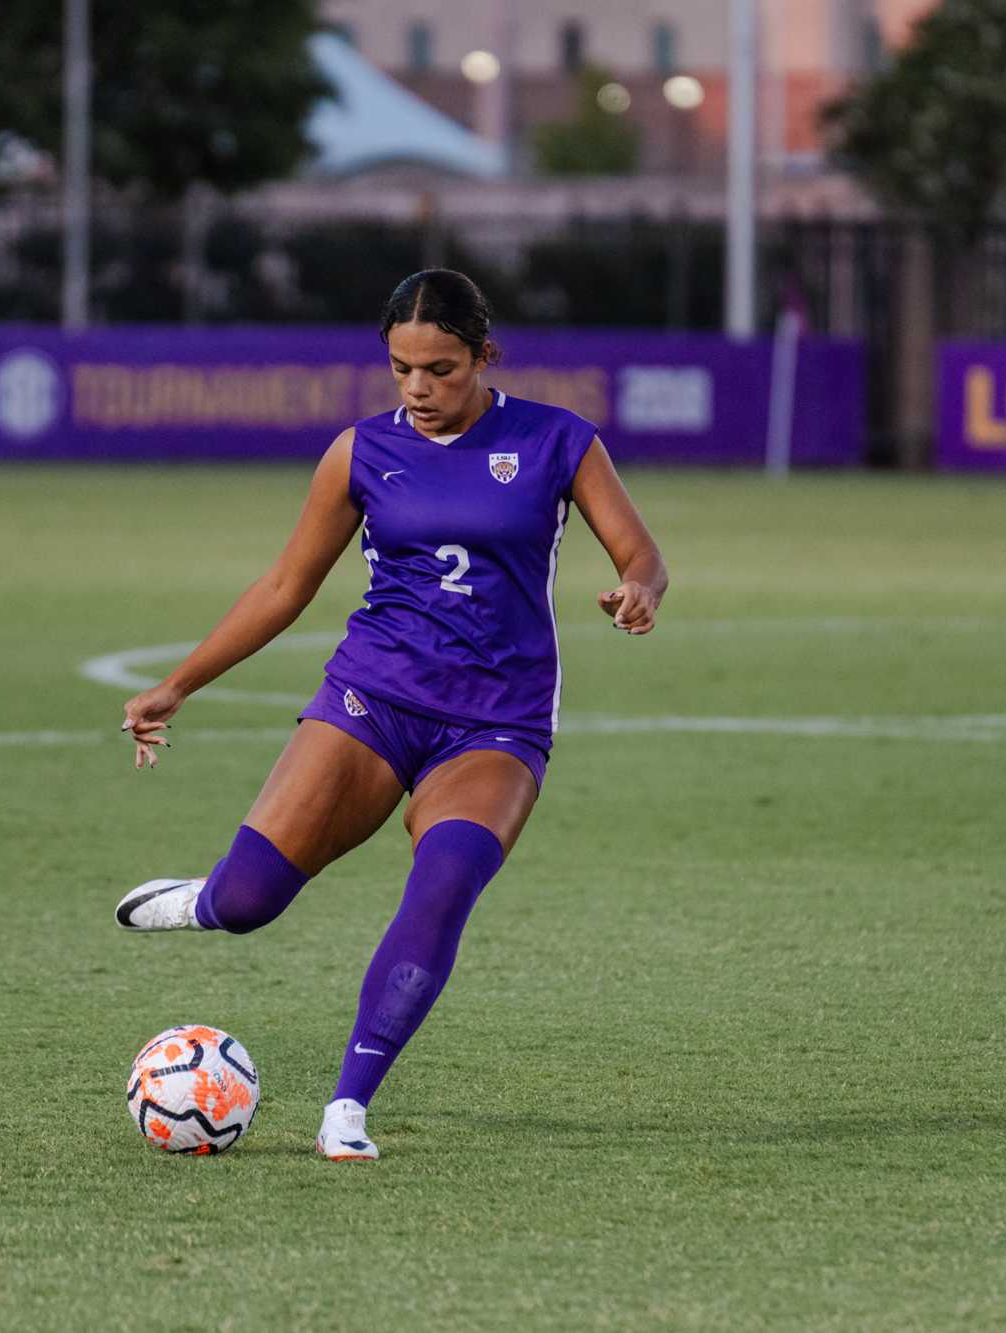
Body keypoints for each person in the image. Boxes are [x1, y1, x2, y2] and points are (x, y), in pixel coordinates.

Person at [115, 269, 668, 1161]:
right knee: (253, 901)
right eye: (402, 368)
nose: (419, 388)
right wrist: (179, 682)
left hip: (498, 722)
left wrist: (639, 587)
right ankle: (206, 900)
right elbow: (285, 586)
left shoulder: (558, 440)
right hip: (372, 698)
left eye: (441, 369)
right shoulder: (359, 452)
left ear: (485, 356)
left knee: (445, 882)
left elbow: (640, 549)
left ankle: (347, 1106)